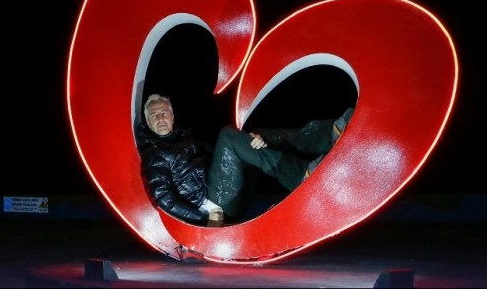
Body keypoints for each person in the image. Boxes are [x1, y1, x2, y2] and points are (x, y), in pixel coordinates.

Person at [135, 93, 354, 227]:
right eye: (154, 115)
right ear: (147, 121)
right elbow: (163, 198)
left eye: (164, 113)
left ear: (173, 117)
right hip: (213, 206)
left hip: (227, 194)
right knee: (229, 134)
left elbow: (223, 155)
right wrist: (204, 217)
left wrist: (254, 141)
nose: (161, 118)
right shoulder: (154, 154)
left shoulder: (187, 140)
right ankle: (301, 175)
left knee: (252, 136)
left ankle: (330, 132)